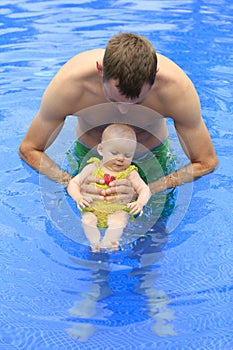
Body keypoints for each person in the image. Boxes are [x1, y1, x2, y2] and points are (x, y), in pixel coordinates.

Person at [19, 32, 218, 203]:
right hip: (90, 158)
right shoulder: (71, 86)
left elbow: (206, 162)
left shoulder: (176, 91)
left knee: (154, 237)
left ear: (154, 77)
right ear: (101, 71)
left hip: (151, 157)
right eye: (113, 100)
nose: (123, 112)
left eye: (137, 103)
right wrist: (71, 181)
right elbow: (29, 149)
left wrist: (149, 189)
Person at [67, 124, 151, 251]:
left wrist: (140, 203)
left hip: (118, 209)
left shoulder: (130, 172)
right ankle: (94, 243)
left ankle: (109, 242)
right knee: (88, 220)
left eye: (127, 155)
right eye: (114, 153)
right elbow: (73, 183)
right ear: (101, 149)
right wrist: (78, 198)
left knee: (118, 221)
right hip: (93, 208)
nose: (121, 159)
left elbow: (144, 189)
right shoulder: (92, 167)